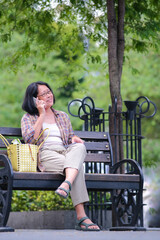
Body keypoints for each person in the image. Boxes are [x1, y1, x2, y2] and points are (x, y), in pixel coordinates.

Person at [21, 81, 100, 231]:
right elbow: (30, 140)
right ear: (34, 99)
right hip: (45, 154)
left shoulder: (62, 116)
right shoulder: (28, 118)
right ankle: (82, 217)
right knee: (77, 168)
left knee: (79, 147)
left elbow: (69, 138)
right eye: (43, 94)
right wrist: (42, 114)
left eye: (49, 91)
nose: (48, 95)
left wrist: (74, 139)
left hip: (65, 152)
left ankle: (66, 184)